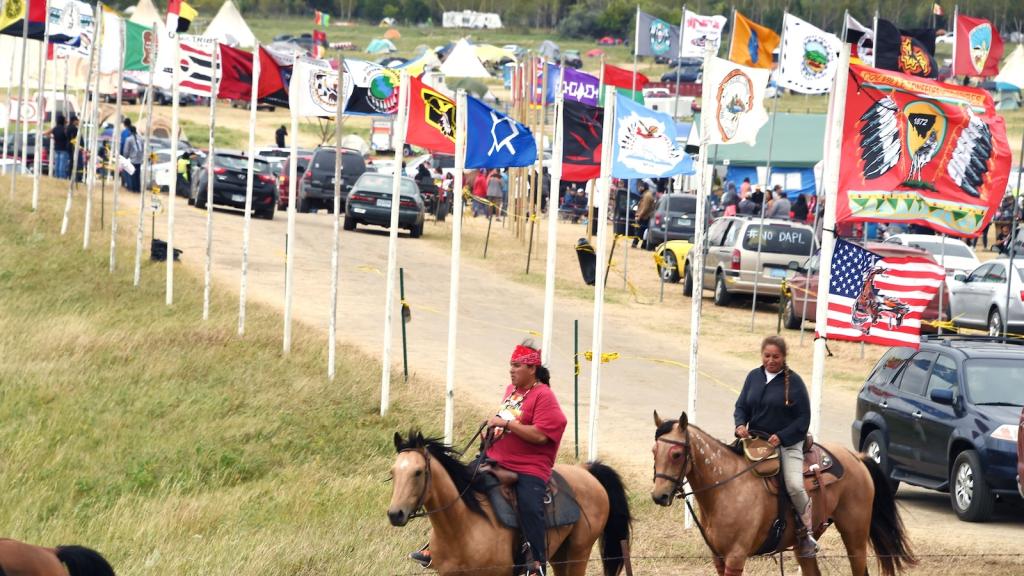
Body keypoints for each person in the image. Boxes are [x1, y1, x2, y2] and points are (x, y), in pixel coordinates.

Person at [410, 341, 566, 576]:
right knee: (457, 488)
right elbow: (508, 422)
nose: (511, 370)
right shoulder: (511, 391)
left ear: (532, 369)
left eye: (517, 365)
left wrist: (505, 424)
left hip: (529, 467)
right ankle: (436, 546)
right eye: (510, 365)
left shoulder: (544, 396)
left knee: (529, 506)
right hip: (496, 457)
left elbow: (541, 435)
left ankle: (535, 565)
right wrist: (493, 433)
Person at [734, 335, 816, 558]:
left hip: (788, 443)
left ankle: (806, 532)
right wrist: (740, 424)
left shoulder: (795, 382)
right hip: (756, 441)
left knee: (794, 485)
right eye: (767, 356)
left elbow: (803, 419)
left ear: (784, 357)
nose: (771, 360)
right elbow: (741, 405)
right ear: (762, 355)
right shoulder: (753, 376)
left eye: (776, 356)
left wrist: (781, 437)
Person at [47, 115, 70, 179]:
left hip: (57, 147)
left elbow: (46, 133)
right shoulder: (65, 129)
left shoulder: (55, 128)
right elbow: (67, 136)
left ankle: (57, 175)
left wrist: (53, 137)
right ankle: (62, 176)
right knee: (62, 164)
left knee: (57, 163)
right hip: (64, 148)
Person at [633, 182, 655, 248]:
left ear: (644, 187)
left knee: (640, 231)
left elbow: (645, 208)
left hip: (645, 217)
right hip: (645, 216)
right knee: (642, 231)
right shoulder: (646, 194)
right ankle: (642, 244)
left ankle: (637, 243)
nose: (639, 189)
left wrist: (640, 216)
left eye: (640, 187)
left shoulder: (647, 196)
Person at [122, 126, 143, 192]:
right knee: (138, 175)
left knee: (132, 174)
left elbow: (126, 151)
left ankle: (133, 188)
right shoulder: (141, 139)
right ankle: (138, 188)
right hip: (139, 160)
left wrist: (125, 157)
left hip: (132, 159)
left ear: (130, 131)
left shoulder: (128, 139)